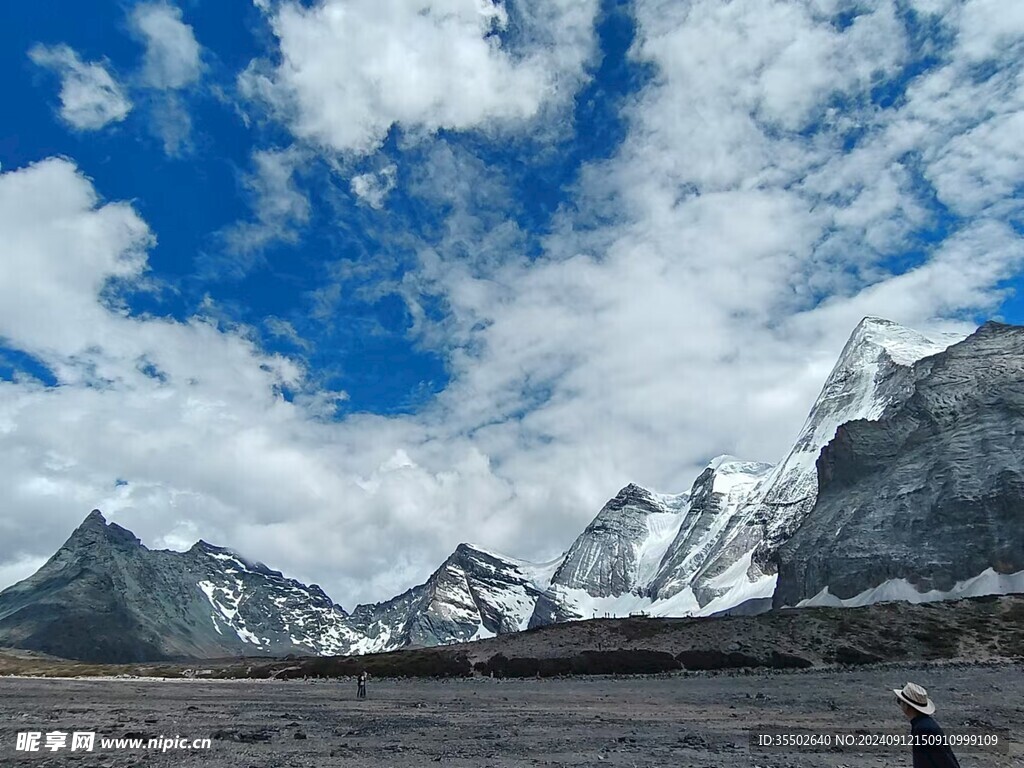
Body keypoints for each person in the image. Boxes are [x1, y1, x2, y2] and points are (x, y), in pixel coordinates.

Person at [892, 682, 960, 768]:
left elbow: (943, 761)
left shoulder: (923, 729)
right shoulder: (923, 725)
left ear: (907, 706)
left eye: (899, 701)